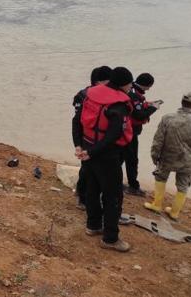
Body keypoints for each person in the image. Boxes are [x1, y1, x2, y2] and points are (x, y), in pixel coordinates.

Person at [75, 67, 134, 252]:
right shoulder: (119, 104)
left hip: (88, 147)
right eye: (130, 84)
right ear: (124, 84)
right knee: (113, 196)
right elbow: (114, 135)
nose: (130, 88)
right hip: (106, 155)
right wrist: (93, 152)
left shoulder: (90, 94)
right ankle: (110, 238)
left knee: (92, 188)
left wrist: (79, 145)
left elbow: (76, 120)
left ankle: (93, 226)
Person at [143, 91, 191, 220]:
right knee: (183, 184)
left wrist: (154, 155)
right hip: (189, 161)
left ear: (182, 102)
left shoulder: (168, 118)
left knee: (161, 177)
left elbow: (158, 140)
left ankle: (156, 205)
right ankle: (174, 212)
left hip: (168, 157)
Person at [72, 65, 112, 210]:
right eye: (108, 82)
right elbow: (78, 120)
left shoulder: (104, 95)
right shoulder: (84, 96)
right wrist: (78, 144)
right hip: (87, 137)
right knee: (87, 169)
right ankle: (82, 196)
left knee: (94, 169)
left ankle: (88, 195)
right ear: (98, 82)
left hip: (96, 137)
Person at [124, 73, 162, 197]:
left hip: (125, 130)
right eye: (150, 86)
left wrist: (149, 104)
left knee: (121, 157)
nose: (149, 89)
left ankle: (113, 180)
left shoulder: (133, 90)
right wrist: (154, 108)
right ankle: (133, 186)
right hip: (130, 132)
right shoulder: (135, 94)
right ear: (148, 85)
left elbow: (136, 108)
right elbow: (139, 115)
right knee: (132, 160)